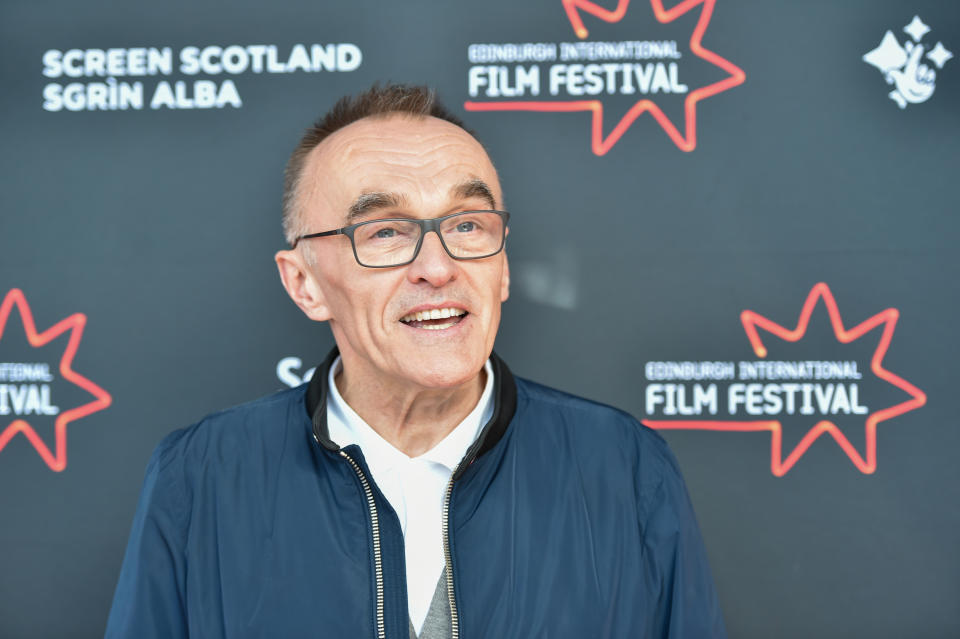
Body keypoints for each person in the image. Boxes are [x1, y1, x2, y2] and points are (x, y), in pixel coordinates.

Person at [105, 83, 725, 639]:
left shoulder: (624, 467)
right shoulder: (199, 477)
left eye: (468, 225)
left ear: (503, 266)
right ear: (305, 284)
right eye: (384, 233)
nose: (437, 266)